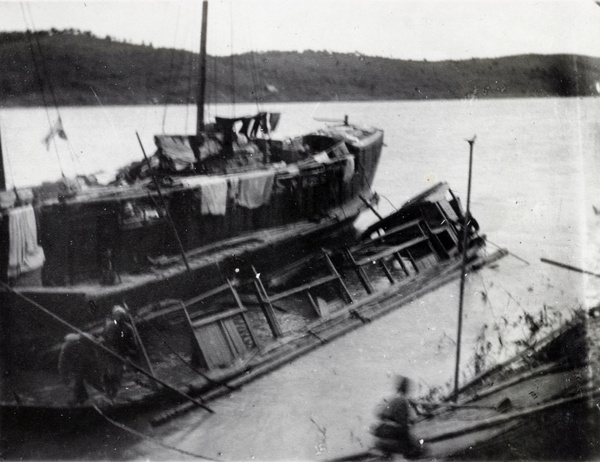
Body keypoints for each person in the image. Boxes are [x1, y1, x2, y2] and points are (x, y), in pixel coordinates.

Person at [372, 376, 422, 458]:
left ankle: (384, 449)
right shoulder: (403, 401)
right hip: (393, 435)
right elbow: (403, 424)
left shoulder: (391, 399)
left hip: (381, 433)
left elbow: (379, 414)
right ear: (406, 389)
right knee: (415, 447)